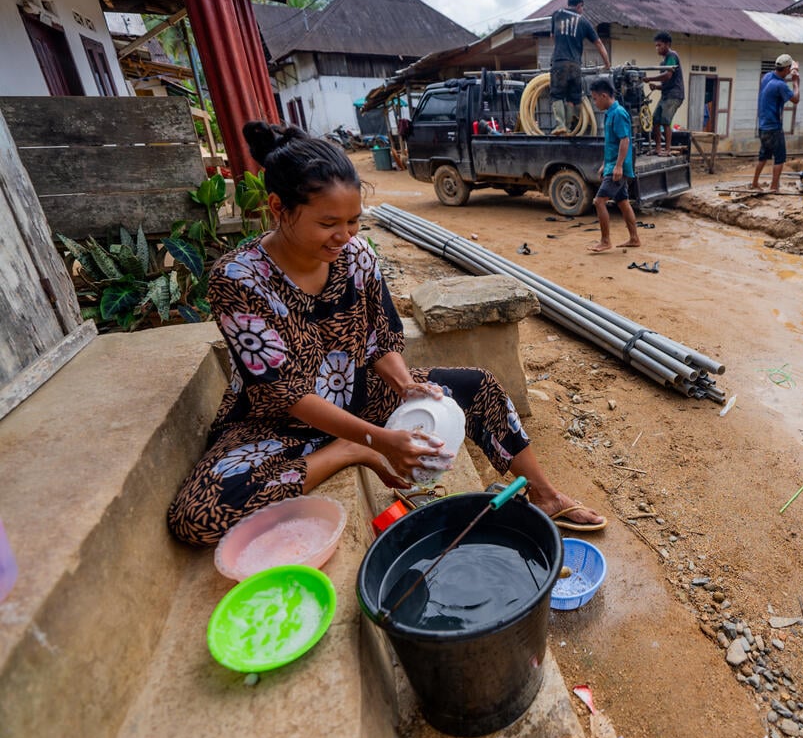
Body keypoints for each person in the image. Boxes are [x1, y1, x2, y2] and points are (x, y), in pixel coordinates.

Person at [167, 122, 607, 546]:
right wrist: (371, 441)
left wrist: (406, 386)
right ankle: (343, 451)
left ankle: (546, 496)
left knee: (479, 386)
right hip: (281, 423)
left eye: (354, 221)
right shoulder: (240, 280)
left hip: (361, 393)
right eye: (327, 224)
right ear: (278, 208)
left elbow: (380, 338)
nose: (344, 235)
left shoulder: (356, 256)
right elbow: (286, 394)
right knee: (198, 514)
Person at [585, 79, 641, 254]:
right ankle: (634, 238)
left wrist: (617, 167)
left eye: (595, 99)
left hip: (618, 168)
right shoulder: (610, 113)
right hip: (612, 166)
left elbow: (625, 140)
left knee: (599, 201)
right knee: (623, 202)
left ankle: (605, 241)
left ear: (604, 96)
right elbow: (612, 143)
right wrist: (605, 164)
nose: (594, 102)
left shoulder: (618, 113)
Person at [550, 0, 611, 135]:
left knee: (557, 95)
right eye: (582, 7)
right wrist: (607, 64)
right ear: (579, 6)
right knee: (572, 97)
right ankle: (569, 128)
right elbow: (599, 44)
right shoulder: (583, 22)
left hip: (559, 62)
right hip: (576, 65)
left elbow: (552, 36)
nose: (582, 10)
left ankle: (560, 125)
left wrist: (560, 48)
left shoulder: (556, 14)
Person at [751, 53, 801, 192]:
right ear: (786, 69)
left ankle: (755, 183)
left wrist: (791, 72)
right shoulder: (780, 85)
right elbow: (796, 99)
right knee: (779, 158)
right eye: (789, 68)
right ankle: (774, 187)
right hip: (773, 127)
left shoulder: (767, 77)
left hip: (762, 126)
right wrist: (796, 82)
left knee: (763, 155)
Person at [644, 31, 684, 156]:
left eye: (659, 45)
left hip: (674, 95)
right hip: (666, 94)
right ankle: (658, 148)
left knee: (666, 121)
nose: (657, 48)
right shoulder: (663, 63)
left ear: (667, 44)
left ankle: (667, 150)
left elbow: (667, 76)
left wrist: (650, 79)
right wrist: (656, 87)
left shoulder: (672, 56)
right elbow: (666, 84)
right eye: (656, 45)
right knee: (655, 120)